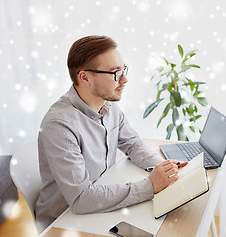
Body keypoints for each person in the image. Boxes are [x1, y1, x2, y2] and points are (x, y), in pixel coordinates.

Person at [34, 35, 187, 233]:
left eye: (123, 69)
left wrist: (162, 167)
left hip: (100, 204)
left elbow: (132, 144)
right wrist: (149, 186)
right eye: (115, 73)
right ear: (85, 78)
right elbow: (81, 199)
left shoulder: (108, 105)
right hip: (64, 222)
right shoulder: (59, 125)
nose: (124, 80)